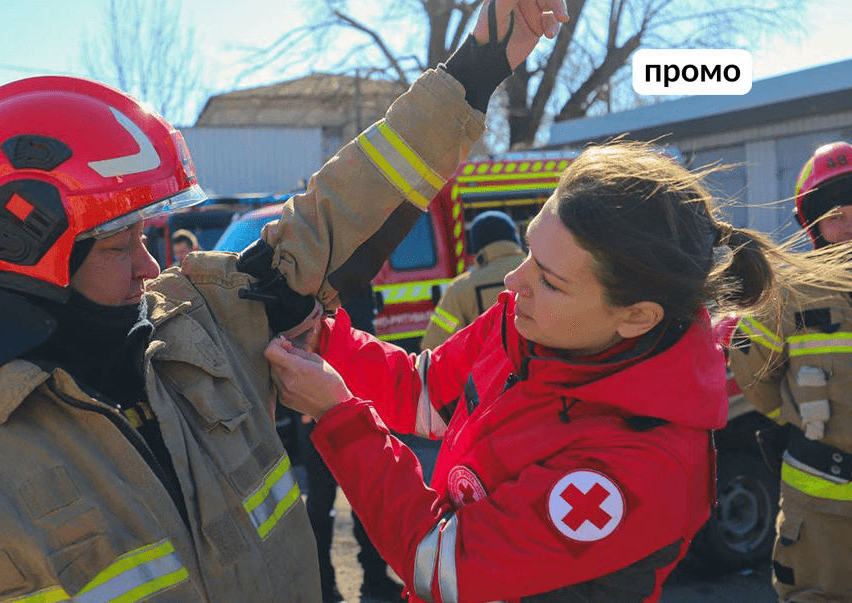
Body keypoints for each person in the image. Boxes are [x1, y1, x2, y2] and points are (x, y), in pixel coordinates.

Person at [0, 1, 568, 601]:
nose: (150, 267)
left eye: (149, 236)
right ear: (23, 246)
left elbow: (336, 214)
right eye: (119, 244)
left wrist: (480, 66)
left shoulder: (195, 327)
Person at [265, 139, 852, 603]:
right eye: (529, 253)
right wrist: (328, 341)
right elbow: (424, 389)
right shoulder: (529, 323)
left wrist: (338, 417)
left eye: (550, 278)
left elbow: (438, 561)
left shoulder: (640, 466)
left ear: (636, 316)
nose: (514, 283)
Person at [729, 141, 852, 603]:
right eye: (835, 214)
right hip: (819, 513)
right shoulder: (788, 293)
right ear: (813, 223)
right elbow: (749, 367)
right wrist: (795, 420)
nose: (848, 227)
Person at [301, 283, 405, 603]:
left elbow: (367, 341)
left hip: (354, 400)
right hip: (315, 401)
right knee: (322, 501)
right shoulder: (304, 276)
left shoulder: (355, 279)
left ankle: (373, 579)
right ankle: (324, 585)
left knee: (366, 497)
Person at [420, 210, 525, 349]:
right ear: (515, 239)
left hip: (487, 369)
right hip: (542, 368)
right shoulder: (542, 272)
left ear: (476, 246)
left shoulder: (459, 289)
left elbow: (434, 345)